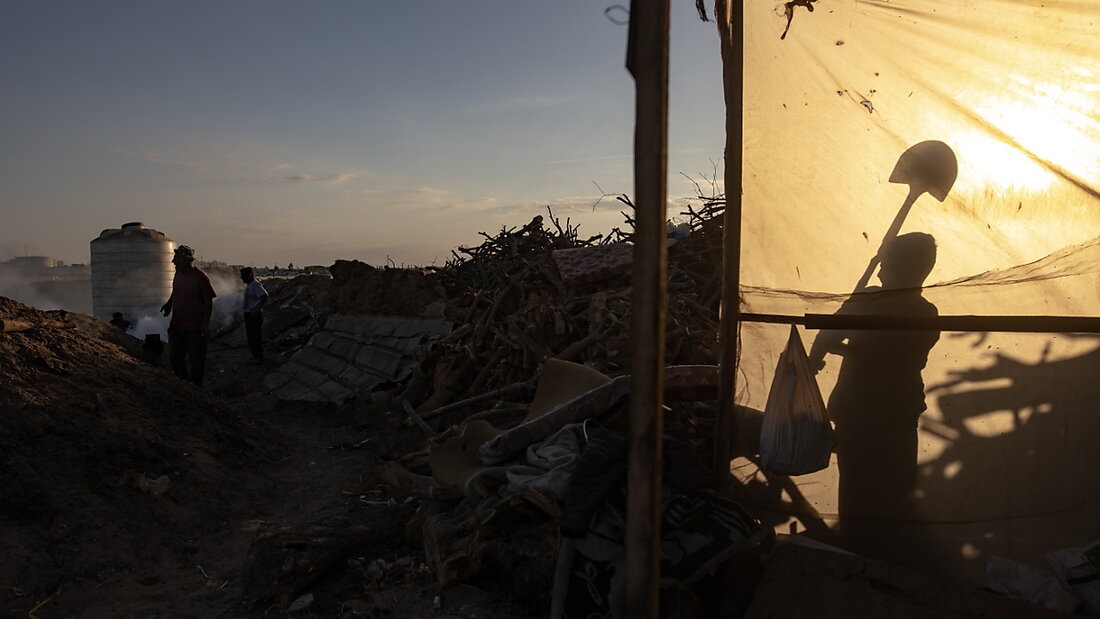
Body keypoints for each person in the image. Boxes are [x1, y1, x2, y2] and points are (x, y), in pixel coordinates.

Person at [808, 232, 940, 561]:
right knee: (886, 489)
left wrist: (829, 341)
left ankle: (870, 555)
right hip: (888, 412)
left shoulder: (897, 307)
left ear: (903, 269)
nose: (879, 272)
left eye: (886, 265)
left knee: (863, 492)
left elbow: (868, 349)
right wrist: (835, 331)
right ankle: (871, 553)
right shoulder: (924, 311)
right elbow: (836, 335)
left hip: (870, 411)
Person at [160, 245, 216, 386]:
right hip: (177, 325)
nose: (173, 262)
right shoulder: (178, 275)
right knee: (175, 357)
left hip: (195, 328)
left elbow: (208, 303)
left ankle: (196, 387)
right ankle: (183, 383)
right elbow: (175, 292)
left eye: (176, 259)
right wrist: (169, 304)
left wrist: (204, 324)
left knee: (196, 359)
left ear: (185, 261)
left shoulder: (200, 278)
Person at [240, 266, 268, 364]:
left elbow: (264, 296)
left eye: (243, 276)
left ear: (250, 275)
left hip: (254, 316)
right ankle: (255, 356)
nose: (241, 278)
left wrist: (257, 308)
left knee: (255, 337)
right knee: (251, 337)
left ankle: (259, 357)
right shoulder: (249, 286)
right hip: (249, 315)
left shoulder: (255, 285)